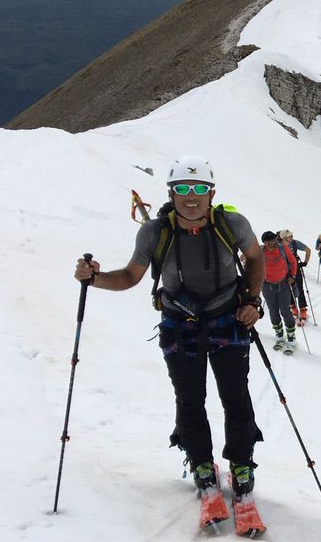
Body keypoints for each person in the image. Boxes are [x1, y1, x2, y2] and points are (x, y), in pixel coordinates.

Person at [73, 155, 266, 500]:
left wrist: (253, 301)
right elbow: (131, 276)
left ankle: (241, 462)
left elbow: (255, 257)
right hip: (181, 322)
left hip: (228, 317)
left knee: (235, 395)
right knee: (190, 398)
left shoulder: (233, 224)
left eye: (198, 189)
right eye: (182, 189)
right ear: (171, 193)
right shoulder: (154, 232)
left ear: (211, 193)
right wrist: (95, 279)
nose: (190, 197)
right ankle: (201, 461)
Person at [260, 230, 298, 352]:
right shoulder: (260, 251)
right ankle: (279, 335)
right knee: (273, 310)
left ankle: (291, 337)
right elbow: (252, 262)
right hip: (267, 285)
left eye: (276, 239)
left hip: (283, 283)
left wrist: (292, 276)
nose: (276, 241)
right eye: (272, 240)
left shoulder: (282, 248)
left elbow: (293, 261)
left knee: (285, 310)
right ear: (266, 242)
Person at [279, 230, 311, 324]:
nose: (292, 237)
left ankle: (302, 309)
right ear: (284, 238)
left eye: (292, 235)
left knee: (299, 288)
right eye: (289, 236)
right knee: (288, 289)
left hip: (295, 269)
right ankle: (293, 307)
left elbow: (308, 250)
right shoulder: (278, 246)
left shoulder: (295, 243)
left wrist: (305, 262)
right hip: (283, 271)